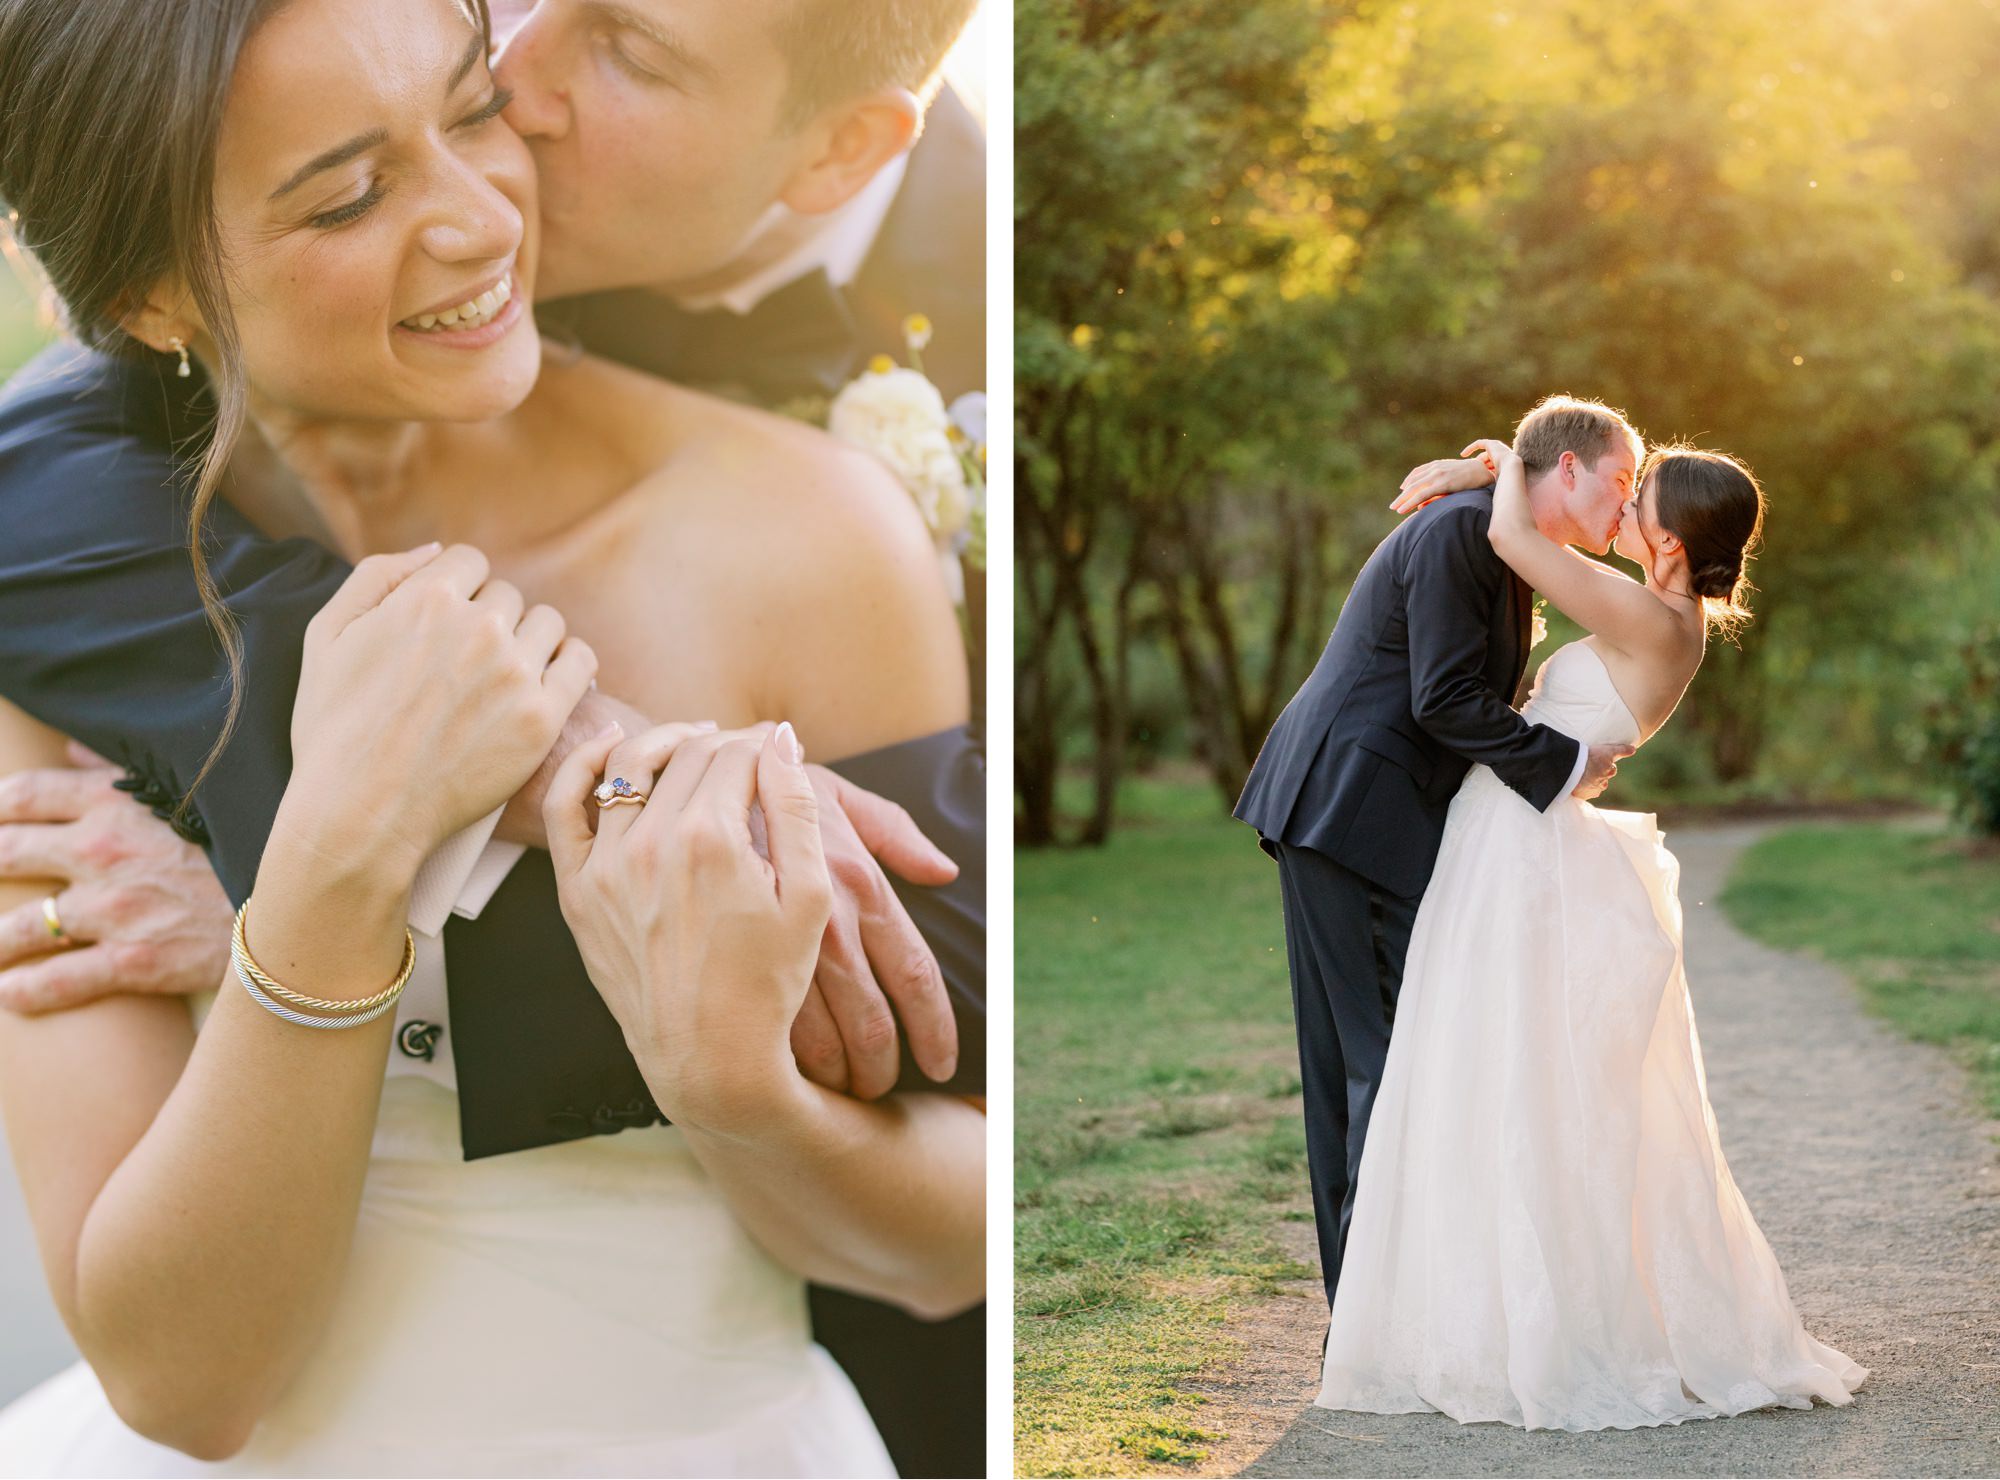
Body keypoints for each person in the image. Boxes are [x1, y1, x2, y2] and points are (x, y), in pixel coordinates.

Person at [0, 0, 988, 1472]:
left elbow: (953, 1203)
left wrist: (732, 1087)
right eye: (346, 194)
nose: (483, 218)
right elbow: (182, 1380)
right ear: (149, 296)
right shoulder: (61, 590)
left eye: (471, 112)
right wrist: (334, 864)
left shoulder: (809, 533)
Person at [1310, 428, 1865, 1429]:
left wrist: (1488, 464)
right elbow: (1540, 523)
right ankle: (1455, 1302)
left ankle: (1514, 1322)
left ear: (1665, 534)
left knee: (1508, 1084)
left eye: (1638, 497)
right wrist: (1491, 474)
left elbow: (1522, 542)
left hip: (1523, 854)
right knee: (1481, 1079)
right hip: (1507, 841)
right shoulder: (1659, 609)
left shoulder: (1654, 617)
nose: (1623, 504)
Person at [1235, 396, 1633, 1312]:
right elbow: (1445, 698)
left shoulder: (1494, 531)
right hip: (1354, 811)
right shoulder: (1462, 533)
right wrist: (1570, 763)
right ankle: (1377, 1320)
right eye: (1621, 480)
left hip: (1350, 810)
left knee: (1367, 1062)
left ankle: (1375, 1310)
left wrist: (1490, 464)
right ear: (1566, 471)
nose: (1630, 499)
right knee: (1381, 1060)